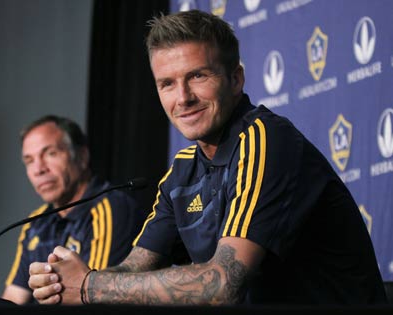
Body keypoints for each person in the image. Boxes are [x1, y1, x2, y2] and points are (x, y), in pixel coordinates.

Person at [28, 10, 387, 305]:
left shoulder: (265, 139)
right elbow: (134, 268)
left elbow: (222, 284)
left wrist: (90, 286)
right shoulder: (183, 170)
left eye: (197, 76)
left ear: (235, 79)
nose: (182, 98)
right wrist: (67, 281)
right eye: (166, 83)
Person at [2, 115, 145, 304]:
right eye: (29, 161)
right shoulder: (35, 223)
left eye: (50, 153)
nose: (38, 169)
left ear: (82, 156)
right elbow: (13, 298)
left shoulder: (112, 209)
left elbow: (92, 298)